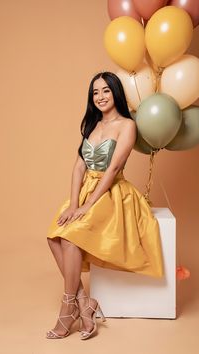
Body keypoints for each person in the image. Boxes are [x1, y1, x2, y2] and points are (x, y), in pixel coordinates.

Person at [46, 71, 164, 340]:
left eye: (106, 91)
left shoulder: (127, 125)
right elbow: (78, 167)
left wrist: (87, 207)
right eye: (95, 92)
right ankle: (84, 303)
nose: (100, 96)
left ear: (116, 93)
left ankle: (68, 308)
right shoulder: (92, 124)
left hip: (111, 192)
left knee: (71, 238)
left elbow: (112, 170)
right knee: (55, 237)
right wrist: (74, 203)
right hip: (86, 190)